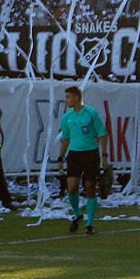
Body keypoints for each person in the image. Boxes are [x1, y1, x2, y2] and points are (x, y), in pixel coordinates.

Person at [57, 86, 110, 235]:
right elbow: (66, 139)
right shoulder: (67, 117)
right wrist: (60, 158)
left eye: (68, 97)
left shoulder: (91, 113)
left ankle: (90, 223)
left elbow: (103, 134)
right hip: (74, 155)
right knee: (72, 187)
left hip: (90, 154)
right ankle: (78, 213)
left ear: (76, 97)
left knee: (90, 187)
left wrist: (104, 155)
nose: (66, 100)